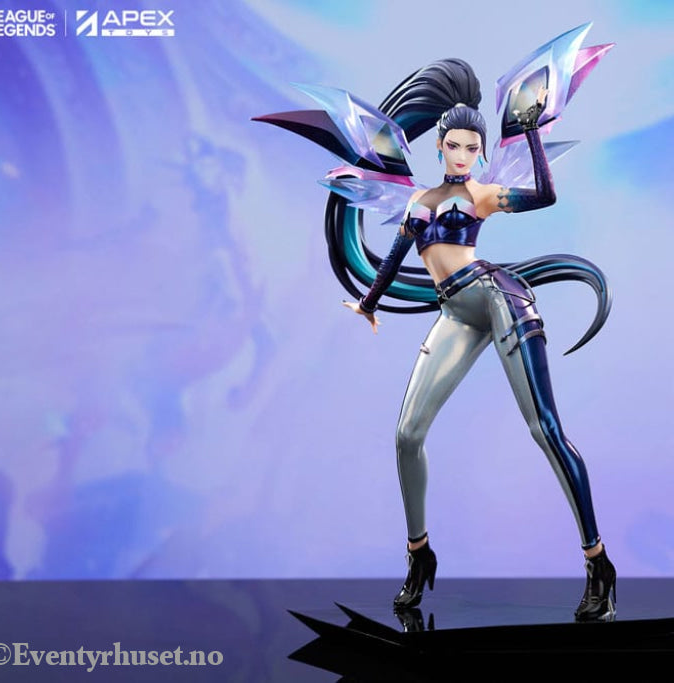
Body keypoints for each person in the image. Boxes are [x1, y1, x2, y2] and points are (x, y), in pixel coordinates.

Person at [255, 27, 616, 621]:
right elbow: (395, 258)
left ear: (479, 151)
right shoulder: (417, 202)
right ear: (441, 147)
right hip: (456, 312)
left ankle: (598, 563)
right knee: (407, 435)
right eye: (454, 146)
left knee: (544, 429)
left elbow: (545, 196)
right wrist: (369, 303)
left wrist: (529, 134)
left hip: (498, 300)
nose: (463, 155)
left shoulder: (484, 195)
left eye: (472, 147)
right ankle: (419, 554)